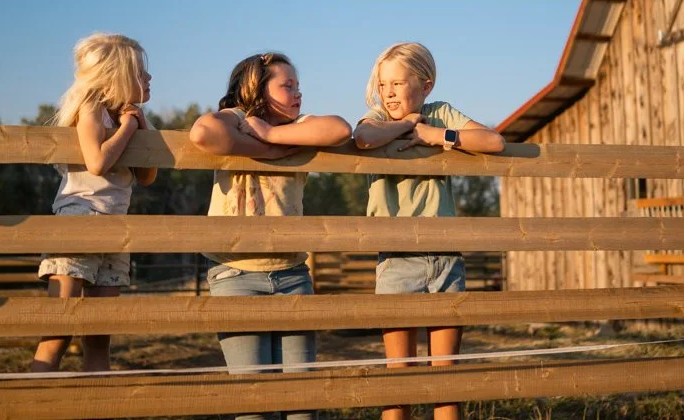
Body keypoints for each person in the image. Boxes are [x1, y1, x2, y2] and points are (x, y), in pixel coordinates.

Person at [189, 51, 351, 420]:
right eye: (287, 86)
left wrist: (275, 134)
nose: (298, 94)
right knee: (254, 405)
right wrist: (271, 151)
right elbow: (202, 133)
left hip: (293, 274)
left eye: (298, 86)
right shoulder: (234, 119)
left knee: (301, 405)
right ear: (256, 90)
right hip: (235, 274)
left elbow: (341, 129)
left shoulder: (299, 125)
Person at [352, 42, 505, 420]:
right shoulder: (376, 118)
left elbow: (494, 141)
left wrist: (438, 136)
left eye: (398, 83)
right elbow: (363, 138)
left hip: (445, 257)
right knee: (398, 382)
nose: (388, 92)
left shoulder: (441, 114)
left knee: (445, 381)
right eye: (383, 83)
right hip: (397, 260)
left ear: (426, 85)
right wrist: (406, 125)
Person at [31, 32, 158, 372]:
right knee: (59, 330)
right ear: (116, 76)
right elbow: (97, 163)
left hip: (116, 229)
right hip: (79, 223)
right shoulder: (92, 110)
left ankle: (94, 404)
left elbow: (147, 176)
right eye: (140, 72)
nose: (149, 78)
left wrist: (140, 126)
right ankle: (31, 402)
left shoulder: (128, 119)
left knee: (100, 335)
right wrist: (129, 128)